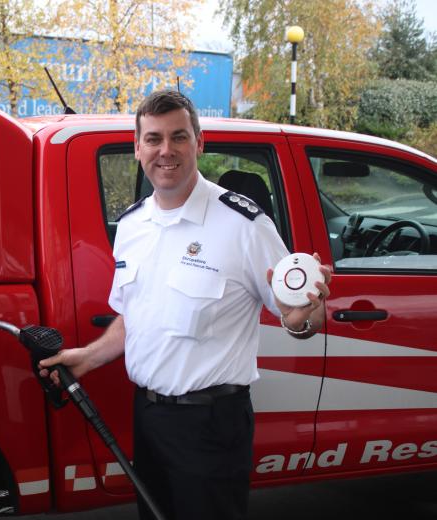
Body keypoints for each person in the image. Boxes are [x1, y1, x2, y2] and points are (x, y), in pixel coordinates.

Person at [40, 90, 331, 520]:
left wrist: (305, 317)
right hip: (149, 418)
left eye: (178, 137)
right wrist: (89, 356)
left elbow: (296, 316)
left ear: (199, 143)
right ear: (138, 148)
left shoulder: (244, 224)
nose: (166, 151)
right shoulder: (133, 225)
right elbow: (133, 315)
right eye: (154, 139)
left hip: (212, 424)